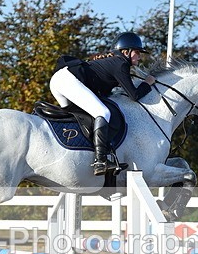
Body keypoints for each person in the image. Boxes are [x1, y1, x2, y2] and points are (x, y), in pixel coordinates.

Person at [49, 32, 156, 176]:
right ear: (126, 52)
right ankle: (101, 161)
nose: (139, 56)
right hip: (68, 80)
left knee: (86, 116)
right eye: (137, 52)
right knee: (103, 113)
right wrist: (147, 83)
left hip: (59, 81)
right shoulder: (121, 63)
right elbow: (134, 95)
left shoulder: (114, 63)